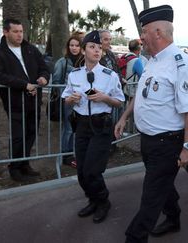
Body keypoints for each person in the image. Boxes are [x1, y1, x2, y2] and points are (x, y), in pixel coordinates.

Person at [114, 5, 188, 242]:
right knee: (162, 185)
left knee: (150, 197)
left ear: (158, 33)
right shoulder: (151, 61)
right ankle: (173, 217)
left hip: (168, 143)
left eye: (144, 31)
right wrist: (124, 117)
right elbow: (141, 95)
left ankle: (135, 236)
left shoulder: (181, 64)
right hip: (149, 141)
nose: (141, 37)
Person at [61, 30, 125, 224]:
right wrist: (70, 99)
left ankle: (103, 201)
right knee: (81, 171)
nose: (97, 51)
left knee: (92, 170)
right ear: (83, 50)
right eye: (92, 47)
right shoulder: (75, 74)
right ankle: (93, 199)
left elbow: (120, 101)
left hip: (101, 126)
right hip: (81, 125)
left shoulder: (110, 75)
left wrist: (105, 97)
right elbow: (65, 97)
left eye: (99, 48)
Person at [0, 19, 50, 182]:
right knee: (18, 136)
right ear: (6, 32)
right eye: (15, 31)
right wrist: (24, 85)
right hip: (15, 102)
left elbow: (44, 67)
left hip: (34, 101)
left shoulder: (31, 49)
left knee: (31, 133)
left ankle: (24, 164)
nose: (19, 35)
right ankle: (14, 168)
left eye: (21, 31)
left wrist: (44, 77)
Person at [52, 35, 84, 166]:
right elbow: (56, 82)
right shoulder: (62, 62)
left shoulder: (84, 61)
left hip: (82, 101)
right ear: (68, 47)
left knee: (79, 129)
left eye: (77, 45)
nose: (74, 48)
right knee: (69, 128)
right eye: (72, 45)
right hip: (69, 102)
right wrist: (66, 96)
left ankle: (76, 153)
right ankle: (66, 154)